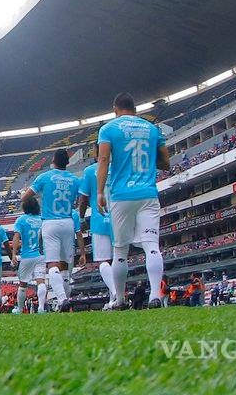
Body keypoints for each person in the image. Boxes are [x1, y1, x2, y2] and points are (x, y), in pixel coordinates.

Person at [96, 93, 169, 310]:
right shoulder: (152, 129)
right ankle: (155, 295)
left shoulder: (108, 129)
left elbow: (103, 160)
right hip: (147, 193)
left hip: (121, 195)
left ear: (115, 108)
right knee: (152, 246)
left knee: (120, 251)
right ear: (135, 109)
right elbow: (165, 161)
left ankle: (119, 299)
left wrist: (100, 192)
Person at [21, 148, 82, 312]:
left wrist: (41, 196)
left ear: (53, 160)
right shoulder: (75, 179)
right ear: (67, 163)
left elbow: (25, 197)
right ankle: (66, 301)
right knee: (64, 267)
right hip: (68, 222)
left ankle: (62, 300)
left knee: (52, 265)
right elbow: (83, 198)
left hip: (50, 223)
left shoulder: (45, 177)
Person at [76, 144, 117, 309]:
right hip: (119, 218)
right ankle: (116, 296)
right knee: (119, 258)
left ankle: (115, 293)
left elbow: (84, 199)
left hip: (99, 219)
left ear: (95, 151)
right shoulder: (118, 168)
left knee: (103, 261)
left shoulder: (89, 171)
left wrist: (80, 218)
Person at [11, 195, 47, 312]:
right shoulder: (42, 219)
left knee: (23, 284)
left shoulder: (21, 220)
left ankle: (20, 309)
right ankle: (41, 308)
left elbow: (16, 237)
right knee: (40, 280)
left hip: (27, 256)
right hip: (41, 255)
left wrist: (13, 254)